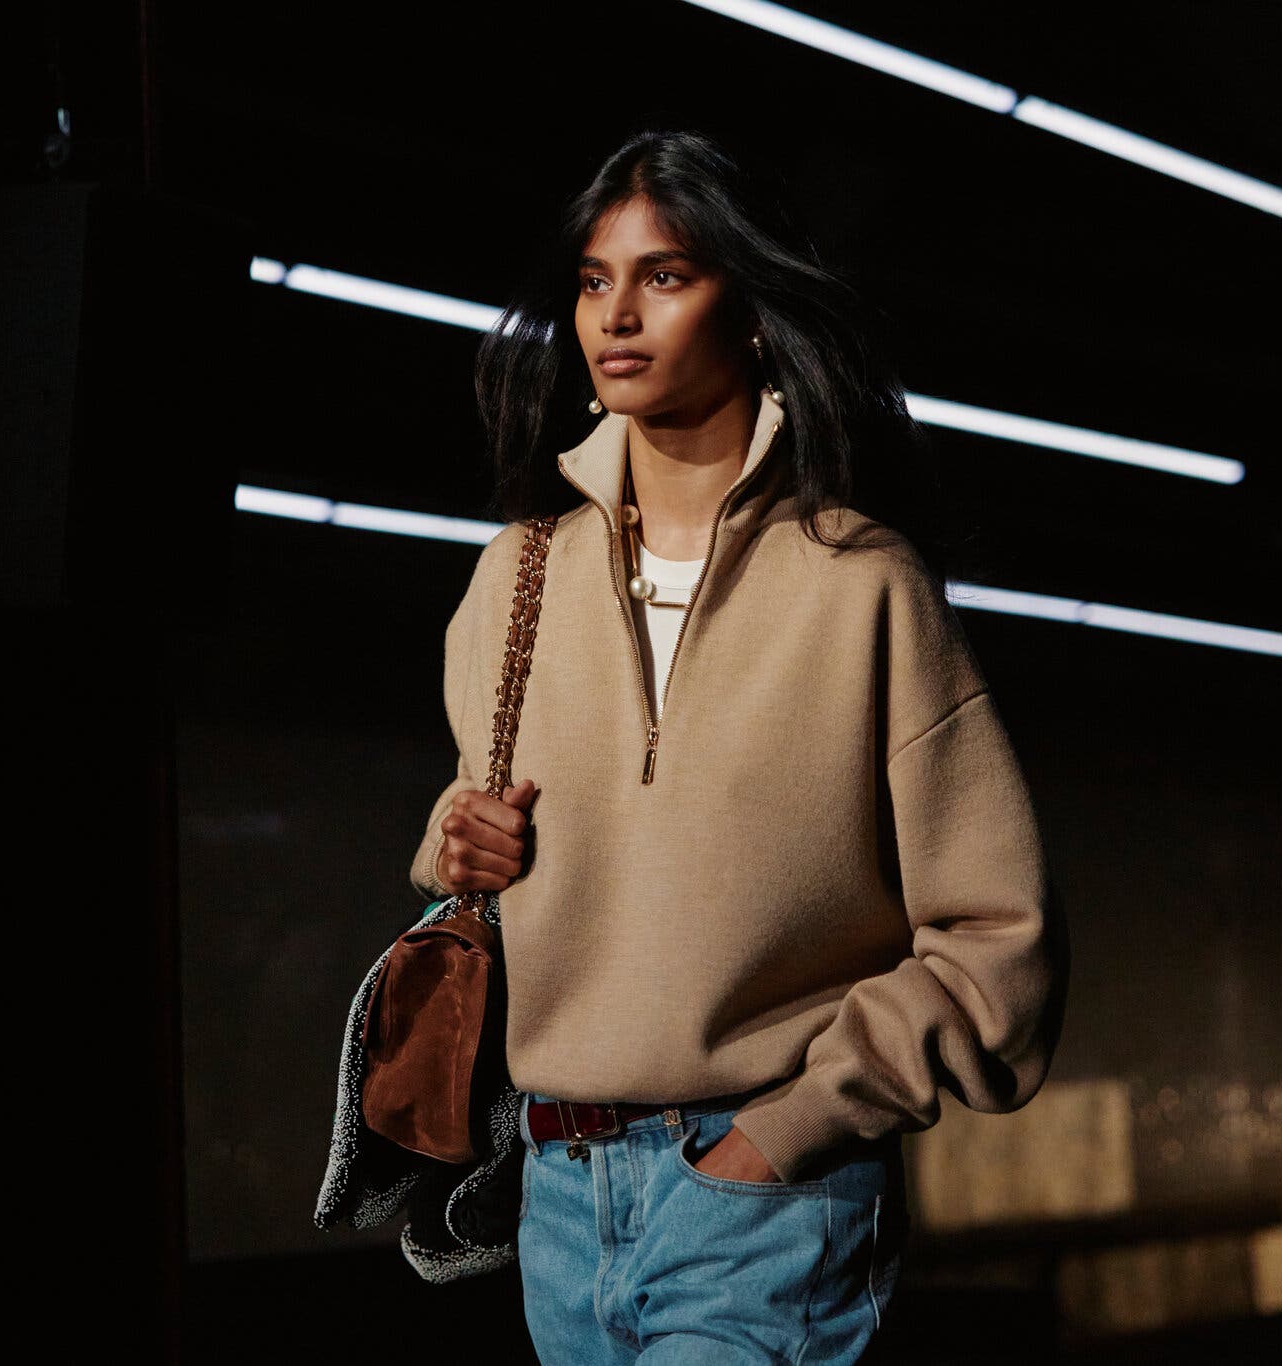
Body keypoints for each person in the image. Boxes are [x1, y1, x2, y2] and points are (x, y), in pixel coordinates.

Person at [408, 129, 1069, 1365]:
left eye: (664, 275)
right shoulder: (516, 578)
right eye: (594, 279)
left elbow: (998, 940)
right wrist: (456, 839)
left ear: (752, 312)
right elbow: (475, 825)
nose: (615, 314)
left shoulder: (859, 584)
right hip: (558, 1203)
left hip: (763, 1197)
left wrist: (794, 1125)